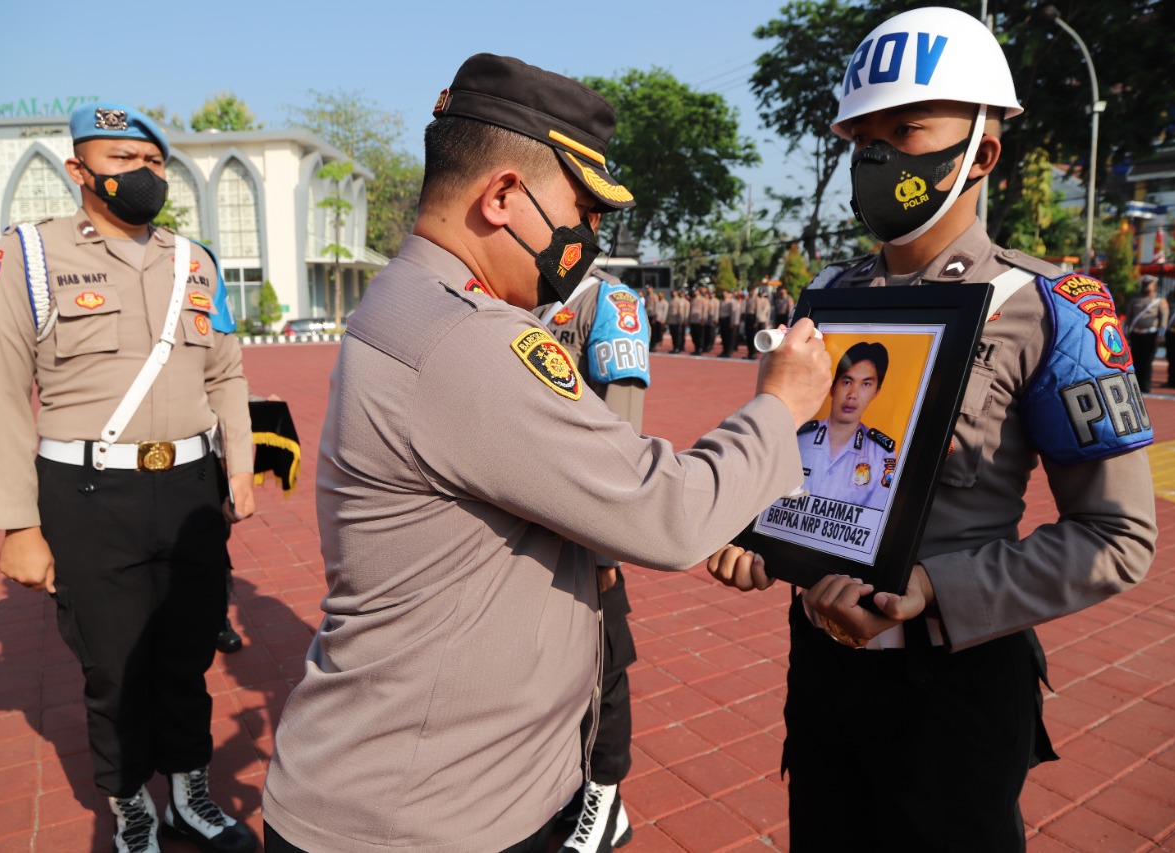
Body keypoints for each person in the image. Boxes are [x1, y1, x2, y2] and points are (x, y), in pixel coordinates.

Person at [259, 53, 833, 853]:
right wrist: (781, 405)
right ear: (500, 196)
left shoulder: (409, 299)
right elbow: (665, 513)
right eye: (581, 211)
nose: (588, 238)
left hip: (433, 787)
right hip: (424, 818)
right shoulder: (468, 338)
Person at [707, 9, 1157, 851]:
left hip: (954, 683)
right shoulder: (830, 299)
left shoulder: (1052, 308)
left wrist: (934, 594)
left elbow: (1117, 537)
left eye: (906, 128)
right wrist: (755, 532)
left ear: (982, 153)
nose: (878, 155)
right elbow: (799, 462)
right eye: (862, 136)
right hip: (823, 673)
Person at [0, 103, 258, 853]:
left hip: (192, 486)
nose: (143, 176)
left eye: (154, 163)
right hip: (91, 496)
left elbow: (226, 369)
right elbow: (0, 394)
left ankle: (192, 793)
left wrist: (241, 466)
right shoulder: (27, 257)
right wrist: (18, 524)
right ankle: (132, 807)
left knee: (188, 650)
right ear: (78, 171)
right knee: (115, 666)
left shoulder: (194, 260)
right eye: (123, 161)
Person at [541, 267, 648, 852]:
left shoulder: (608, 304)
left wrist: (606, 545)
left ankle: (606, 800)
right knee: (552, 670)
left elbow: (621, 439)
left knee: (602, 670)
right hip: (533, 525)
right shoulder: (524, 297)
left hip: (584, 536)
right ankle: (573, 786)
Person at [797, 342, 897, 511]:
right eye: (847, 382)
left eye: (866, 384)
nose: (853, 395)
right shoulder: (799, 438)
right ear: (832, 386)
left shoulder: (881, 454)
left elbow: (875, 518)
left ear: (876, 392)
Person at [1125, 274, 1167, 392]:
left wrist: (1161, 334)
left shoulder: (1159, 301)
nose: (1146, 287)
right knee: (1136, 361)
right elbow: (1128, 318)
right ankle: (1135, 386)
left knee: (1147, 361)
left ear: (1154, 286)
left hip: (1151, 334)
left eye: (1149, 285)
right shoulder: (1135, 300)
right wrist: (1126, 332)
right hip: (1136, 334)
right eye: (1144, 284)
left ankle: (1145, 386)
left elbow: (1163, 319)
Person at [647, 284, 668, 352]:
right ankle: (650, 345)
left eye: (649, 288)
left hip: (653, 315)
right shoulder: (648, 296)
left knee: (653, 332)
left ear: (652, 288)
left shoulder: (654, 296)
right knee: (649, 331)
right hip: (648, 315)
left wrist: (655, 317)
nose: (648, 289)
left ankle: (653, 346)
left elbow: (656, 306)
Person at [668, 288, 688, 353]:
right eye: (672, 292)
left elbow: (681, 312)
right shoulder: (671, 301)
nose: (673, 293)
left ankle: (678, 348)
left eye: (674, 292)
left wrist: (680, 320)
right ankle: (674, 347)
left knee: (677, 336)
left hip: (677, 321)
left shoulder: (679, 301)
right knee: (673, 335)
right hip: (671, 321)